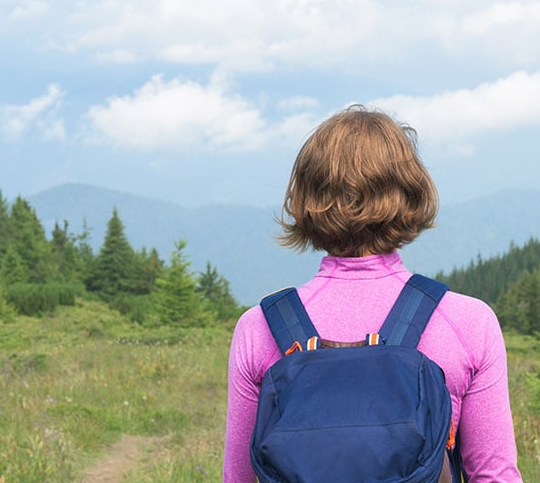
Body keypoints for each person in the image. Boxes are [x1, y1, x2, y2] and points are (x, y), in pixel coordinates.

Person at [224, 106, 522, 483]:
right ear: (411, 193)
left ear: (305, 199)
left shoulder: (260, 327)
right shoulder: (467, 321)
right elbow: (494, 476)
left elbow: (238, 478)